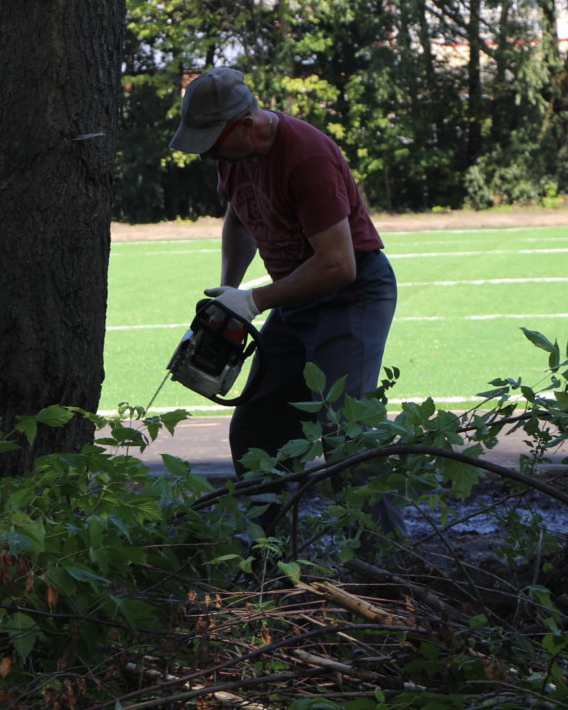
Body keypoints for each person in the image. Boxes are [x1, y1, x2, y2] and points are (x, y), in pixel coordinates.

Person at [170, 67, 402, 537]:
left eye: (214, 142)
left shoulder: (306, 157)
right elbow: (239, 218)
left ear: (247, 125)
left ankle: (385, 565)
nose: (209, 153)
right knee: (257, 427)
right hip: (297, 295)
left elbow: (338, 264)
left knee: (345, 430)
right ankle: (266, 557)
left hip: (351, 294)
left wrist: (252, 303)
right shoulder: (234, 157)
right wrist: (228, 296)